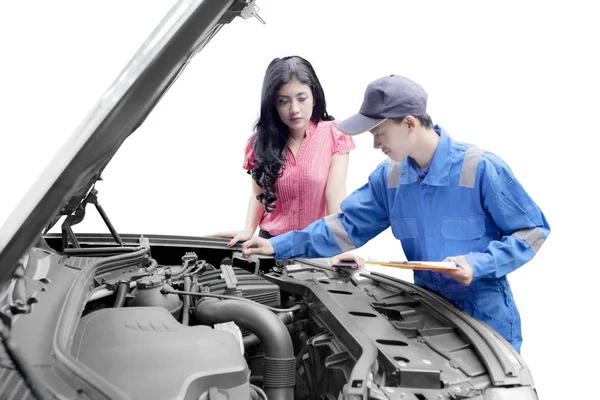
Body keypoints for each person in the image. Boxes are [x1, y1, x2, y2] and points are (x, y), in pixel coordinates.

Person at [241, 74, 550, 352]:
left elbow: (533, 229)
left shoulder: (481, 168)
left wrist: (479, 263)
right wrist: (276, 245)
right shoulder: (389, 180)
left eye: (380, 133)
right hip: (429, 313)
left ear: (409, 124)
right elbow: (344, 227)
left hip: (486, 319)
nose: (375, 144)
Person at [212, 56, 364, 267]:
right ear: (273, 104)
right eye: (284, 101)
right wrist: (248, 229)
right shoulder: (258, 143)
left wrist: (340, 249)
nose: (294, 109)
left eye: (301, 98)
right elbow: (258, 195)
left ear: (314, 96)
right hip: (269, 247)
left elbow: (335, 196)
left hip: (315, 249)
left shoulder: (335, 134)